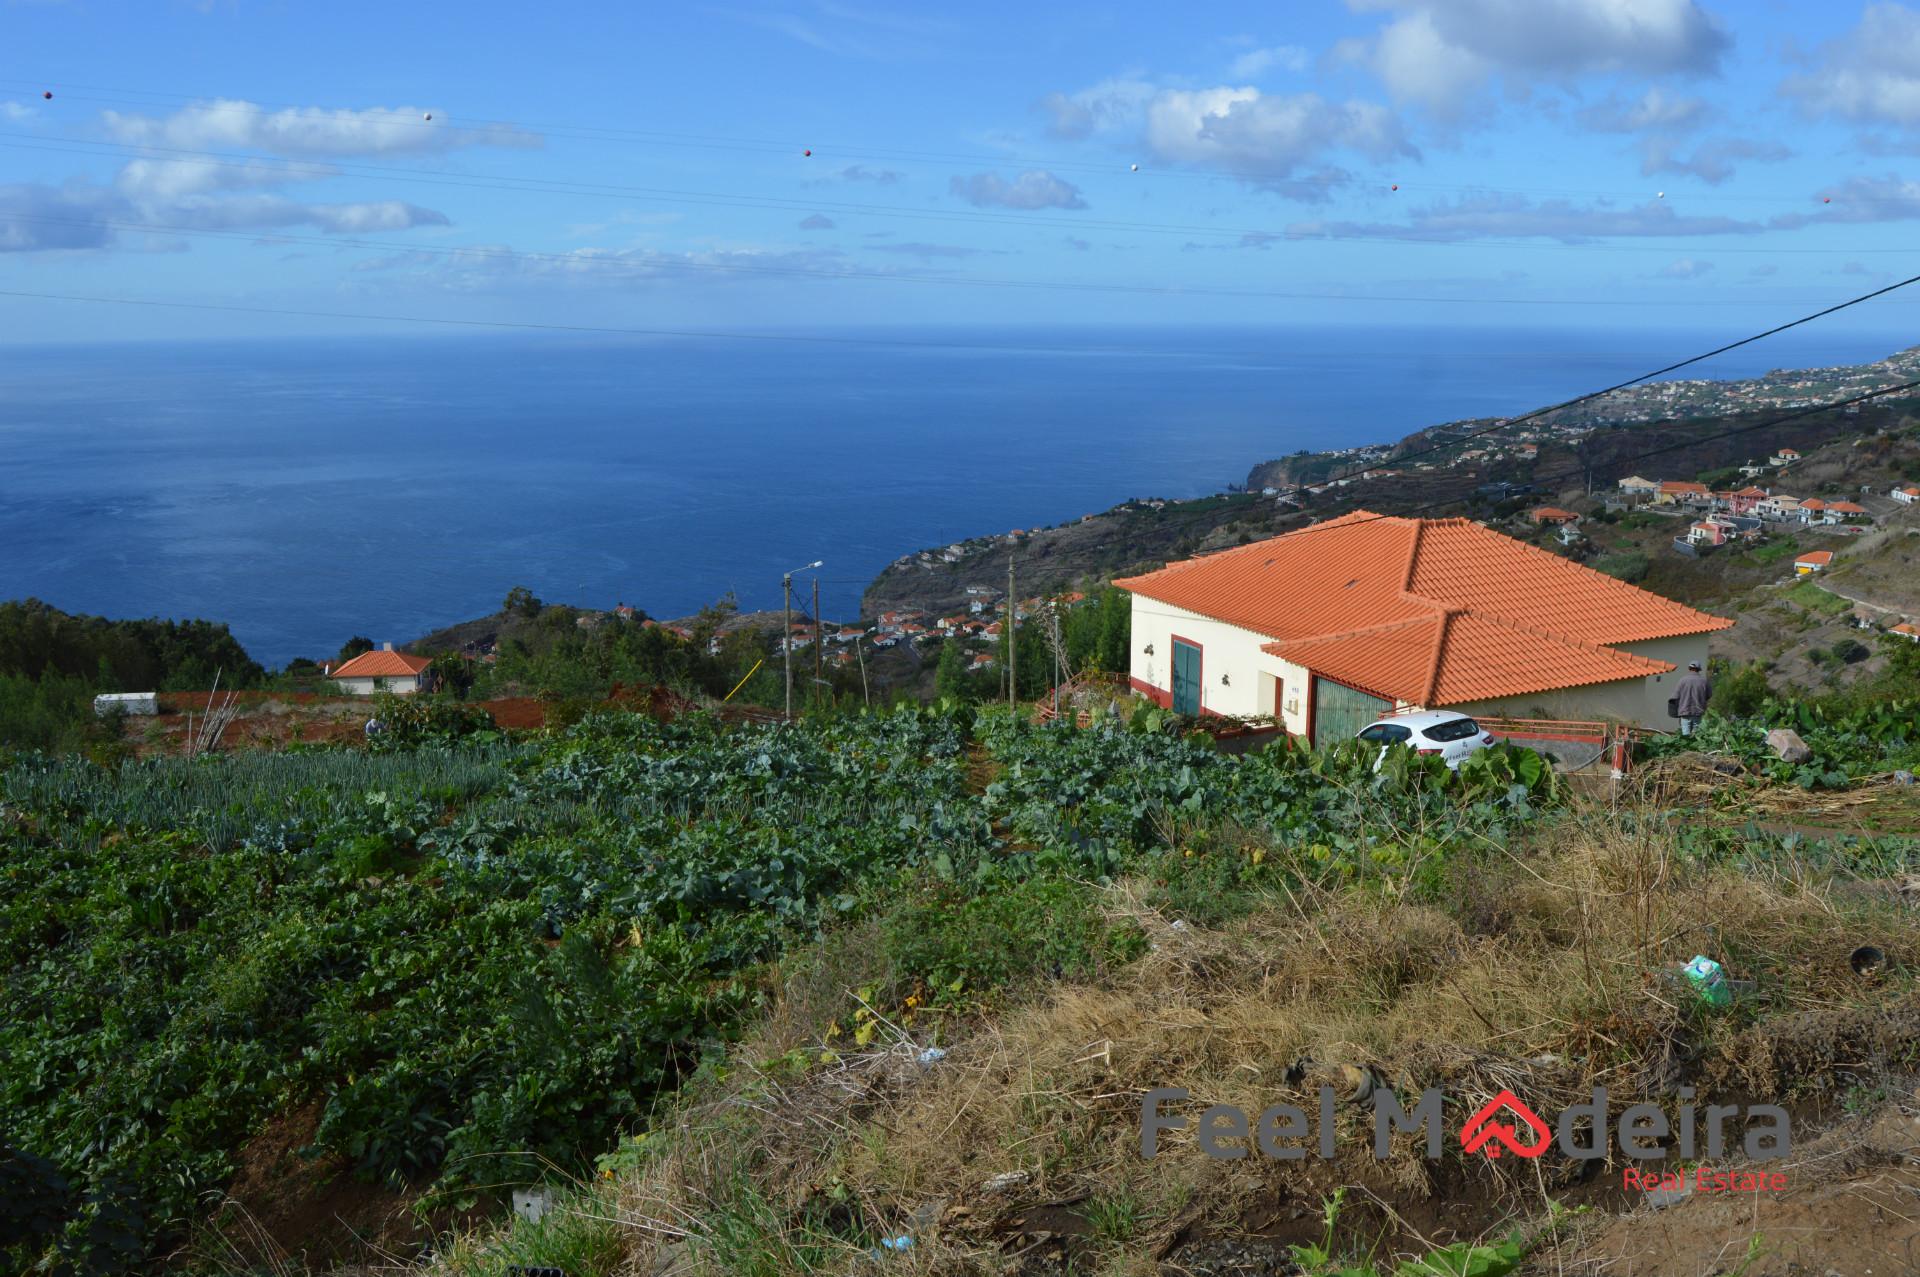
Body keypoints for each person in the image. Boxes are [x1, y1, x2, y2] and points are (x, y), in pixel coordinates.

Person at [1674, 661, 1711, 736]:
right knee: (1696, 737)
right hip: (1697, 712)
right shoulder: (1704, 681)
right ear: (1699, 669)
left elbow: (1676, 696)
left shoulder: (1682, 680)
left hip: (1684, 712)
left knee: (1685, 736)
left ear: (1689, 668)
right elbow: (1709, 695)